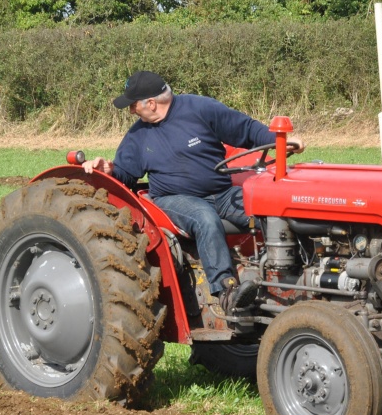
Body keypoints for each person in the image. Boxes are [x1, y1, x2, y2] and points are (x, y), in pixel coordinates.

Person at [83, 70, 304, 315]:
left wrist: (281, 140)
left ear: (152, 103)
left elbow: (245, 128)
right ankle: (227, 292)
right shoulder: (137, 136)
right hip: (173, 199)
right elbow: (125, 175)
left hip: (221, 192)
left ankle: (293, 276)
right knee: (204, 218)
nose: (132, 111)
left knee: (266, 211)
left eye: (133, 105)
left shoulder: (200, 109)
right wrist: (109, 170)